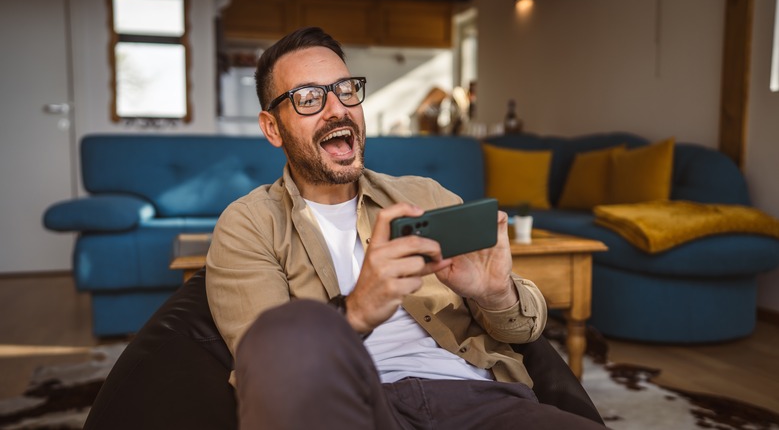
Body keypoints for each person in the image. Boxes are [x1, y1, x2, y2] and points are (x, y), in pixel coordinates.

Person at [206, 26, 605, 429]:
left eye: (345, 90)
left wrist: (495, 293)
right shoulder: (248, 225)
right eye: (308, 98)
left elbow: (525, 327)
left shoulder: (425, 195)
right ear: (272, 127)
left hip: (481, 398)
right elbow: (269, 372)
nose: (336, 109)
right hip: (359, 407)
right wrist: (357, 311)